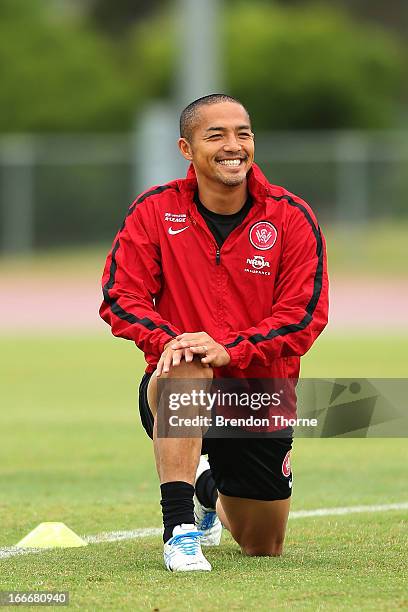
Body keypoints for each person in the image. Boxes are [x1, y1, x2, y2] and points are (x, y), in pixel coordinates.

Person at [100, 93, 329, 572]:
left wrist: (232, 350)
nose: (233, 146)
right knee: (186, 366)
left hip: (259, 395)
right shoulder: (154, 211)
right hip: (176, 391)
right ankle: (180, 528)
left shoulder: (291, 216)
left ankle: (207, 489)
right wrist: (172, 340)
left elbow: (304, 316)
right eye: (216, 135)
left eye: (242, 134)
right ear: (187, 149)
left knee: (262, 545)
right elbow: (121, 296)